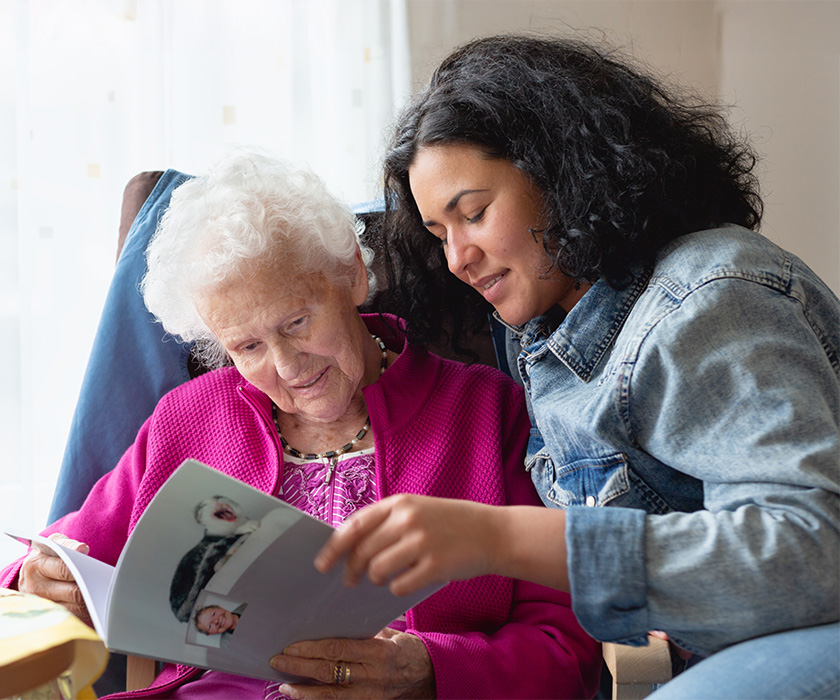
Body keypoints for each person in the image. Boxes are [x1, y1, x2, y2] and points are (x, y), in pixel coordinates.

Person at [314, 34, 840, 700]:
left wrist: (498, 537)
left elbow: (811, 560)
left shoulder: (707, 300)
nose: (457, 258)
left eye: (473, 214)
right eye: (438, 233)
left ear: (563, 175)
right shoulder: (540, 330)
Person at [0, 151, 601, 700]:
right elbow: (59, 557)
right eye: (248, 346)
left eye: (296, 322)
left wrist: (426, 669)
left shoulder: (483, 410)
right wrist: (38, 578)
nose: (287, 367)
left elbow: (566, 648)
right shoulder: (190, 418)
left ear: (351, 275)